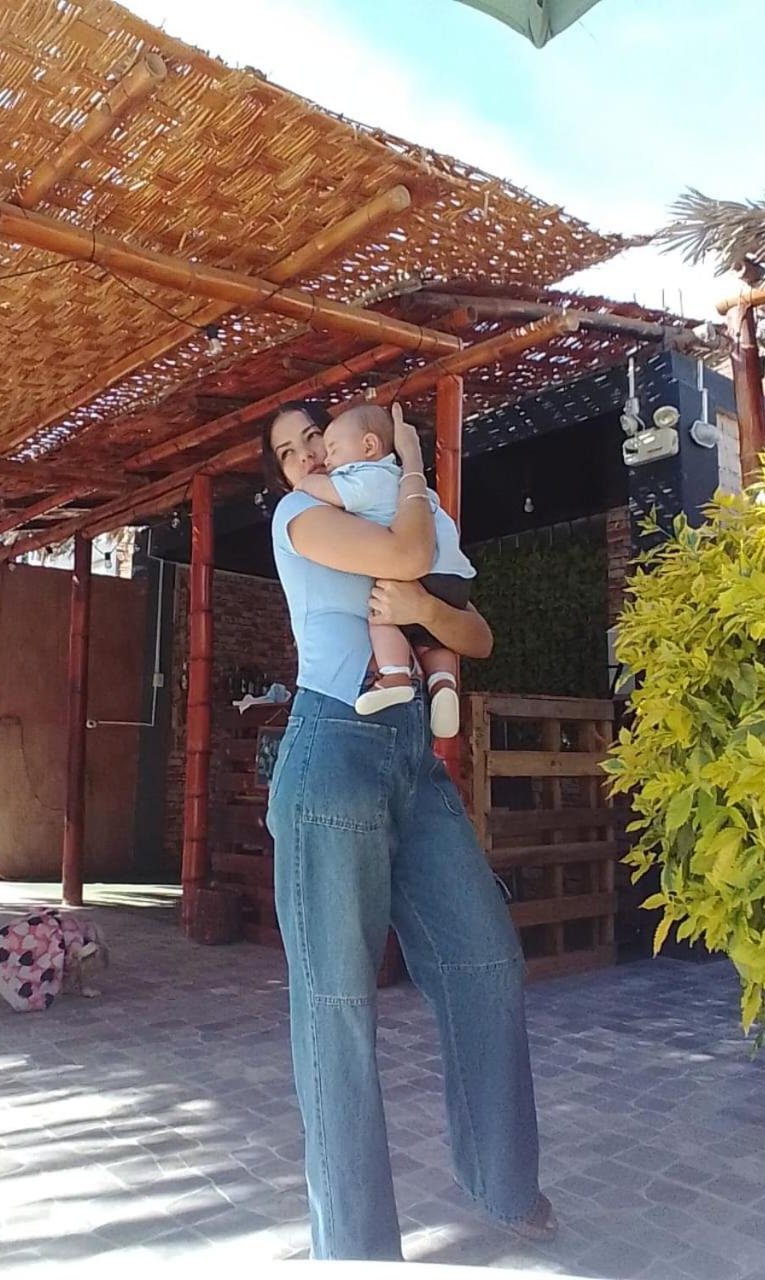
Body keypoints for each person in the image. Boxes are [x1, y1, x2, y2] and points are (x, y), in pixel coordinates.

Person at [262, 398, 557, 1262]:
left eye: (315, 437)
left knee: (485, 960)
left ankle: (503, 1180)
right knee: (337, 1004)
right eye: (288, 452)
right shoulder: (302, 516)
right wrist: (418, 472)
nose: (306, 455)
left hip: (412, 762)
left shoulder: (385, 505)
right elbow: (407, 557)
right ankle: (355, 1250)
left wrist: (424, 608)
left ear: (349, 443)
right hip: (331, 752)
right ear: (283, 476)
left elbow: (475, 632)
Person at [293, 402, 472, 737]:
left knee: (381, 612)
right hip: (456, 575)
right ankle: (444, 683)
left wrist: (306, 485)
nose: (325, 459)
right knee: (432, 642)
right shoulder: (406, 482)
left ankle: (395, 675)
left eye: (331, 448)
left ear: (369, 446)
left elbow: (334, 492)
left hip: (420, 571)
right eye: (287, 453)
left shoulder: (365, 476)